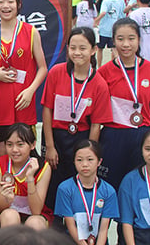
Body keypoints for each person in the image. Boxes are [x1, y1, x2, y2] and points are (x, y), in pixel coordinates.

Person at [41, 26, 110, 214]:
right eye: (73, 48)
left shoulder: (100, 84)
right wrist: (50, 146)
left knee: (77, 185)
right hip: (56, 138)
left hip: (81, 139)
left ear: (93, 50)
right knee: (52, 185)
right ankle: (53, 225)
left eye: (82, 48)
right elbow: (47, 110)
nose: (77, 53)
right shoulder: (56, 72)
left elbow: (96, 124)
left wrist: (89, 154)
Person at [96, 18, 150, 193]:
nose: (126, 44)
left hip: (141, 136)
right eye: (120, 39)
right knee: (110, 187)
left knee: (138, 187)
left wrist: (145, 126)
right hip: (113, 136)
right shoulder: (104, 72)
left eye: (131, 38)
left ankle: (129, 222)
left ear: (139, 40)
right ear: (113, 40)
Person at [0, 0, 47, 156]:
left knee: (24, 153)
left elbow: (43, 68)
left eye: (10, 1)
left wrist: (30, 91)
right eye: (0, 1)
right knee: (2, 155)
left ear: (18, 4)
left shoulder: (31, 32)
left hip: (23, 102)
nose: (5, 6)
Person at [54, 140, 119, 245]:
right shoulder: (65, 189)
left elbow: (103, 229)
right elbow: (70, 225)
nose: (84, 164)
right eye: (79, 160)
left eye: (90, 160)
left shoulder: (109, 191)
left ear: (99, 162)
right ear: (74, 161)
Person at [0, 123, 53, 230]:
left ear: (32, 145)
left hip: (36, 215)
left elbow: (36, 211)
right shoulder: (0, 163)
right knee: (9, 215)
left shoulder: (43, 167)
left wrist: (30, 178)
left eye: (20, 144)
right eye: (9, 144)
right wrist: (7, 200)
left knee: (34, 222)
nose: (14, 150)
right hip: (9, 213)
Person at [94, 0, 124, 66]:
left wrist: (96, 20)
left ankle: (99, 66)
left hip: (104, 29)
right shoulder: (118, 3)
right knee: (114, 49)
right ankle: (118, 65)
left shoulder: (105, 2)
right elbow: (120, 15)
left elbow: (103, 13)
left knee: (100, 49)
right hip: (113, 28)